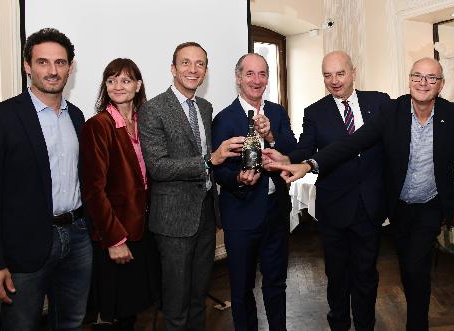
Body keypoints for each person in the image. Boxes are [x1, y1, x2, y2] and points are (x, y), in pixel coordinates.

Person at [267, 57, 454, 331]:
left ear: (440, 84)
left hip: (430, 206)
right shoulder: (393, 111)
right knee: (405, 267)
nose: (423, 83)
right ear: (409, 80)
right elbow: (352, 143)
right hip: (397, 207)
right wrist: (308, 164)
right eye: (417, 76)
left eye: (431, 78)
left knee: (415, 267)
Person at [265, 50, 389, 331]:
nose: (334, 81)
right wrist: (287, 159)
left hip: (370, 205)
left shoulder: (379, 102)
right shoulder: (315, 112)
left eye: (340, 73)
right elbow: (304, 149)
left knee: (366, 275)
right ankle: (339, 325)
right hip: (334, 208)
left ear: (353, 72)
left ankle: (366, 325)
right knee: (336, 275)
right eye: (327, 75)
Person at [138, 42, 245, 331]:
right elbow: (158, 167)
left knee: (198, 298)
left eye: (200, 64)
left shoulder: (205, 107)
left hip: (206, 217)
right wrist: (210, 159)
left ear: (206, 72)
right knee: (176, 305)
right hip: (173, 221)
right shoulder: (152, 109)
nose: (193, 69)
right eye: (186, 63)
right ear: (173, 68)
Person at [0, 28, 92, 330]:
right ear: (27, 66)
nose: (52, 71)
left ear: (70, 68)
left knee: (72, 322)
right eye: (43, 62)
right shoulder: (1, 118)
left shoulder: (76, 116)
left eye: (60, 63)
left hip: (77, 238)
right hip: (24, 247)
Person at [212, 53, 297, 331]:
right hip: (241, 214)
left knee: (276, 282)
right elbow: (218, 168)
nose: (256, 80)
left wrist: (272, 136)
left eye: (262, 74)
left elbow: (293, 148)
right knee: (241, 287)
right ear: (238, 78)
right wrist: (238, 178)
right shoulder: (224, 119)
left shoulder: (277, 111)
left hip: (276, 212)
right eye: (249, 74)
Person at [80, 58, 159, 330]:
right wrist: (114, 239)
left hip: (142, 229)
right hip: (116, 232)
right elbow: (93, 189)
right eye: (111, 80)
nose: (117, 86)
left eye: (125, 80)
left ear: (138, 86)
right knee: (115, 312)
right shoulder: (98, 125)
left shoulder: (143, 121)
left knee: (133, 309)